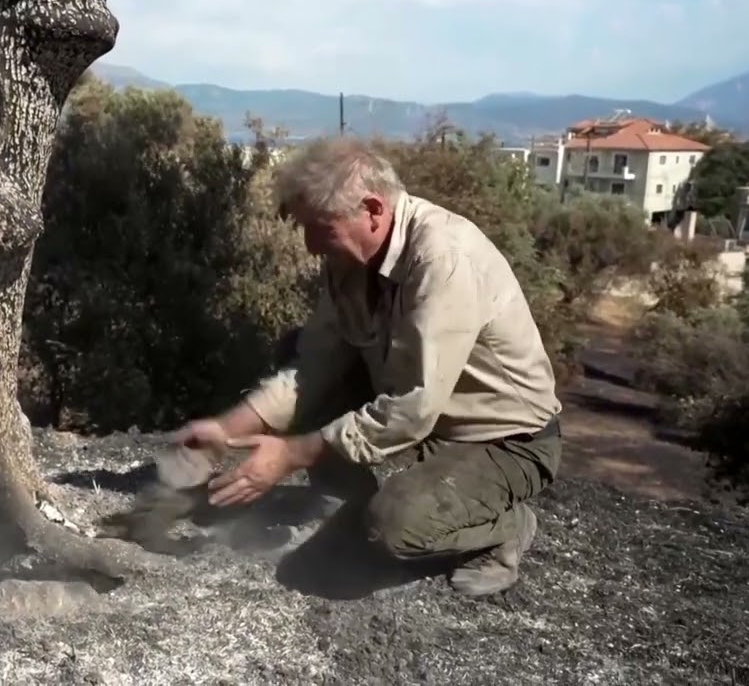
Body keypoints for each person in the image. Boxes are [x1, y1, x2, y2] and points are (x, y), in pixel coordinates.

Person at [170, 136, 563, 597]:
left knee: (390, 529)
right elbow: (312, 366)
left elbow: (411, 408)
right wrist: (227, 429)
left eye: (321, 227)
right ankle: (350, 499)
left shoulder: (443, 258)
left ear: (373, 210)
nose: (311, 246)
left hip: (503, 441)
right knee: (294, 347)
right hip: (430, 425)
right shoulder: (348, 261)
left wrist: (290, 454)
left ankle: (506, 527)